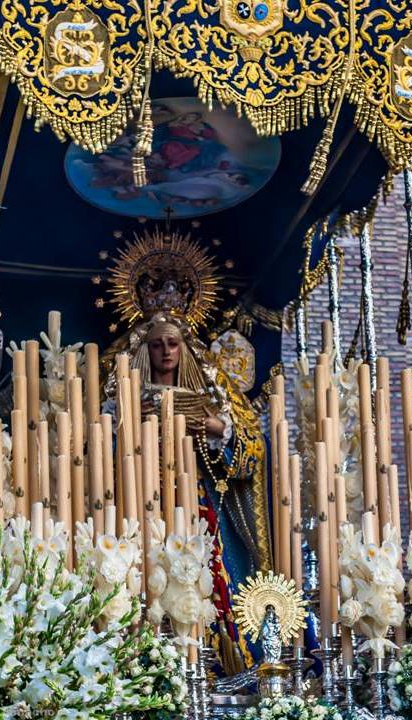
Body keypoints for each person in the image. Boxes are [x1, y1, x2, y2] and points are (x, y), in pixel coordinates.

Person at [101, 227, 272, 673]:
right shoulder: (121, 395)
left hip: (197, 500)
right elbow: (95, 451)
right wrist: (130, 423)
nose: (165, 352)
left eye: (172, 344)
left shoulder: (213, 393)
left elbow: (252, 450)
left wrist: (211, 427)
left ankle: (217, 659)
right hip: (140, 502)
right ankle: (146, 660)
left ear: (184, 348)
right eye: (157, 344)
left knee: (208, 574)